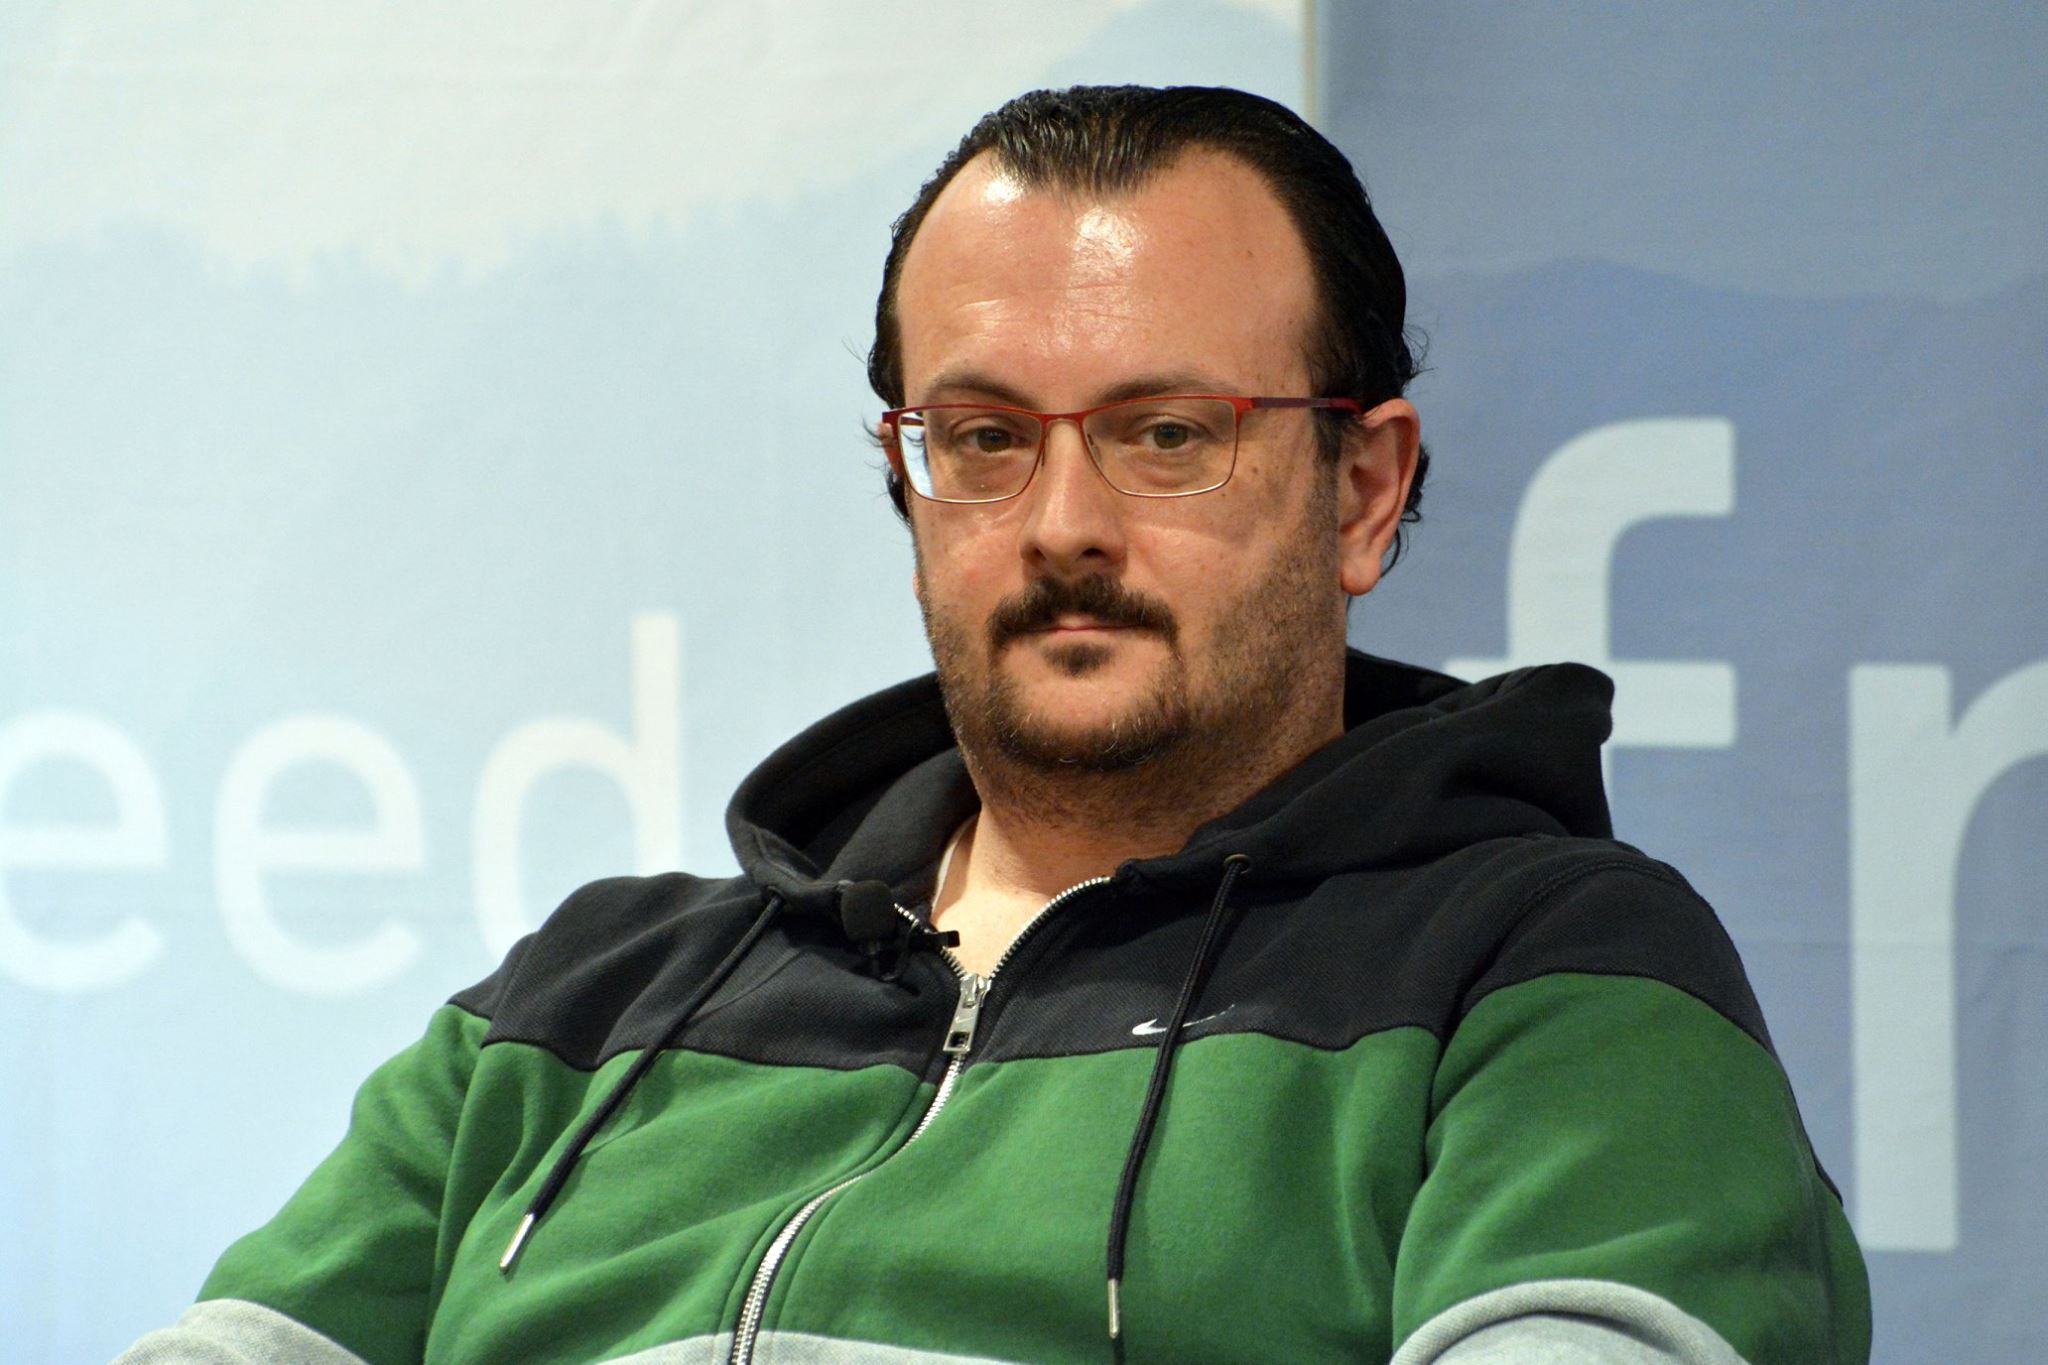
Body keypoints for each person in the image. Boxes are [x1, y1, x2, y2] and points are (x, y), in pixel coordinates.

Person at [121, 85, 1870, 1365]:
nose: (1062, 525)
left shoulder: (1558, 982)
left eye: (1165, 433)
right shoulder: (585, 1001)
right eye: (984, 438)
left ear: (1362, 489)